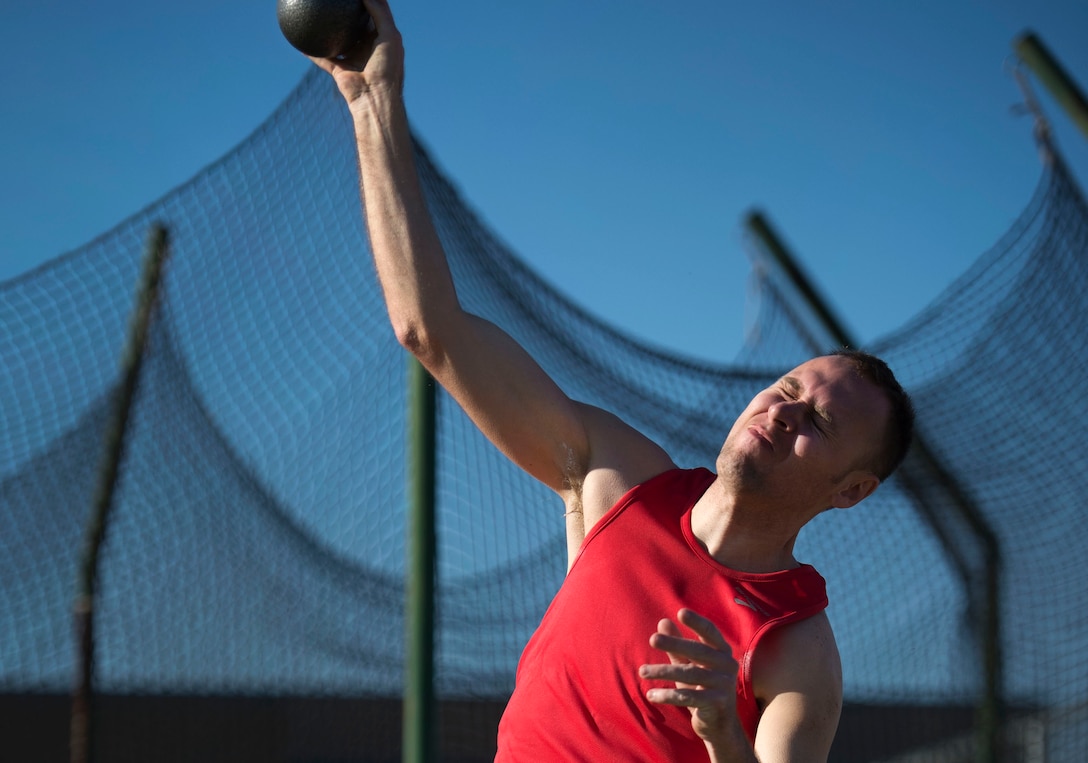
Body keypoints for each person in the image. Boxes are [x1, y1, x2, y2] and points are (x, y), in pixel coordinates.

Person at [308, 2, 914, 760]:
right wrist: (373, 104)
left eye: (818, 424)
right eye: (788, 391)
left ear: (850, 490)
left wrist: (724, 729)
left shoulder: (797, 650)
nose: (785, 414)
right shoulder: (615, 481)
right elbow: (430, 330)